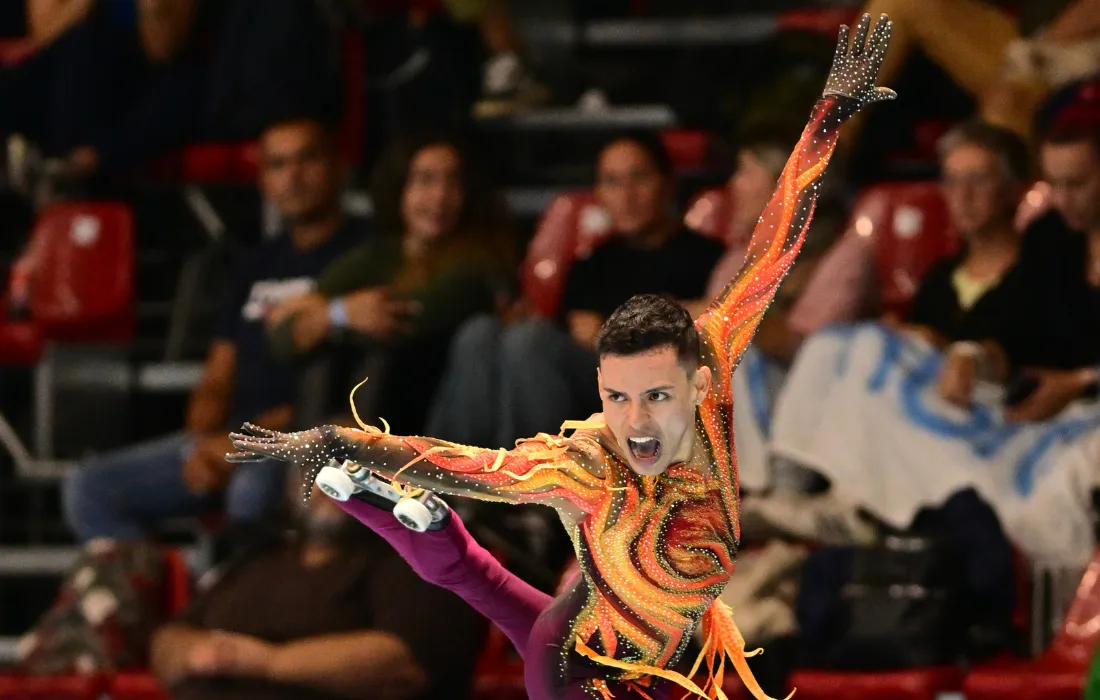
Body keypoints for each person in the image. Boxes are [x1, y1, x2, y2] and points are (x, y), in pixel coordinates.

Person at [225, 14, 896, 700]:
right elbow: (472, 463)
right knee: (508, 599)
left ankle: (413, 519)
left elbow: (774, 244)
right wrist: (346, 443)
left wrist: (827, 119)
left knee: (488, 586)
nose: (634, 415)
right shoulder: (592, 451)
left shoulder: (698, 368)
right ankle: (409, 515)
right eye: (619, 396)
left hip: (657, 623)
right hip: (619, 623)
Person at [62, 114, 364, 541]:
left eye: (306, 160)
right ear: (262, 179)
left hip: (306, 439)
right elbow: (219, 372)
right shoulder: (254, 264)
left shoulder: (366, 254)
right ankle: (155, 598)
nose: (293, 177)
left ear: (336, 165)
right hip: (232, 437)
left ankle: (232, 599)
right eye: (278, 165)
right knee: (89, 489)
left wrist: (240, 448)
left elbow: (352, 392)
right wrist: (205, 443)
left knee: (249, 491)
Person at [150, 470, 487, 700]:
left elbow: (402, 666)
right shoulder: (261, 559)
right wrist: (196, 654)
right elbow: (170, 636)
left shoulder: (415, 561)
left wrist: (264, 662)